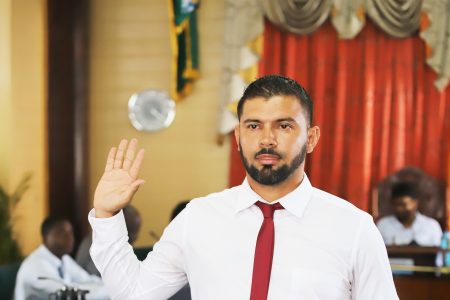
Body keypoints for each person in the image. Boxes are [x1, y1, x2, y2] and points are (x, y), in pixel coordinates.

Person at [88, 75, 398, 299]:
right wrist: (106, 215)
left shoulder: (353, 228)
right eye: (254, 126)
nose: (266, 139)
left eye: (284, 125)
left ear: (312, 138)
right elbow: (134, 294)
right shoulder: (198, 218)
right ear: (238, 136)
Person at [14, 216, 109, 300]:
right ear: (45, 238)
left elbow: (87, 280)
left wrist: (112, 286)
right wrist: (109, 292)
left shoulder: (63, 259)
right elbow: (66, 293)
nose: (69, 238)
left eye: (70, 232)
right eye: (62, 233)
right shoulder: (35, 266)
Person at [76, 205, 142, 276]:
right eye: (131, 231)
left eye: (136, 231)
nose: (136, 237)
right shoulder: (95, 243)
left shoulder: (125, 248)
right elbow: (78, 271)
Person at [377, 182, 442, 246]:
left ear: (415, 203)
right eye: (396, 205)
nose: (399, 209)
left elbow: (440, 254)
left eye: (403, 205)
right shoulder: (383, 225)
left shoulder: (432, 226)